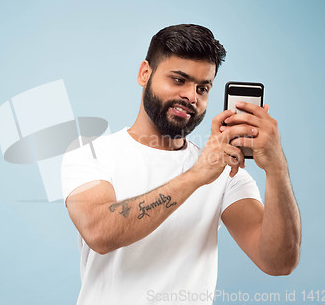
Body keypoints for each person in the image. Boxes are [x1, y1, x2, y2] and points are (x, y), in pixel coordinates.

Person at [61, 24, 301, 305]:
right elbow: (100, 232)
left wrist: (277, 168)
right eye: (179, 80)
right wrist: (197, 174)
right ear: (144, 74)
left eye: (203, 88)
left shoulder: (227, 172)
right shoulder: (90, 153)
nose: (191, 96)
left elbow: (278, 262)